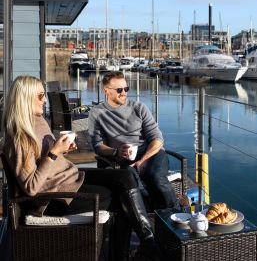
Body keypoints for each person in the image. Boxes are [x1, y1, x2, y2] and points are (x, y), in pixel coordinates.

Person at [2, 76, 159, 261]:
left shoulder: (39, 121)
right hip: (54, 199)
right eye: (40, 95)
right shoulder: (19, 139)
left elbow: (48, 159)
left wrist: (63, 151)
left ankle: (147, 243)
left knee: (124, 176)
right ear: (25, 98)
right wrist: (54, 152)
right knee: (119, 198)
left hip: (70, 179)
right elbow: (31, 187)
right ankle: (140, 249)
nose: (45, 99)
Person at [88, 71, 179, 210]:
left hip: (150, 152)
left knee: (157, 178)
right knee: (135, 185)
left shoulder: (138, 107)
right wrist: (116, 152)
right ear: (106, 91)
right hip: (122, 157)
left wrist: (142, 160)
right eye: (119, 90)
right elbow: (98, 146)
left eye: (126, 89)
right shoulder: (97, 113)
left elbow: (157, 138)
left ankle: (176, 214)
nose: (124, 93)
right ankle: (152, 215)